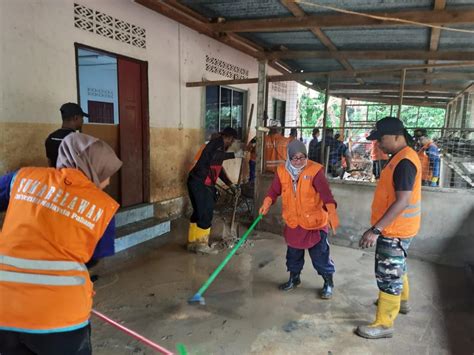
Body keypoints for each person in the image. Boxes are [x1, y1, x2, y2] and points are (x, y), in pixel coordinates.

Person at [0, 133, 122, 354]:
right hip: (60, 317)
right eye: (106, 173)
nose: (108, 181)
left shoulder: (23, 177)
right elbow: (93, 258)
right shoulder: (103, 207)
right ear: (92, 167)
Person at [356, 117, 421, 339]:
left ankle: (384, 324)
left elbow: (402, 201)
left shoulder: (404, 162)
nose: (379, 144)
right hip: (401, 228)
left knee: (388, 276)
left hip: (394, 230)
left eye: (381, 139)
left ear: (396, 136)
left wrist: (375, 230)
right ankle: (401, 302)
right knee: (398, 267)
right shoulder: (401, 157)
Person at [259, 140, 340, 299]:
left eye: (302, 157)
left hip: (314, 223)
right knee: (293, 255)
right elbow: (274, 190)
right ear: (289, 158)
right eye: (295, 158)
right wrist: (267, 203)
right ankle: (294, 279)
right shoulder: (282, 171)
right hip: (294, 222)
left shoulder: (315, 170)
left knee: (320, 256)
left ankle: (328, 282)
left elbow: (326, 194)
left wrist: (331, 212)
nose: (299, 161)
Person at [187, 127, 242, 254]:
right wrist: (234, 155)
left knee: (198, 212)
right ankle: (201, 244)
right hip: (201, 183)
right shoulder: (217, 144)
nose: (232, 144)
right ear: (229, 138)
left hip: (196, 182)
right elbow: (215, 156)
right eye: (232, 141)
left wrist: (230, 185)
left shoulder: (219, 147)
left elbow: (219, 168)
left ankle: (192, 243)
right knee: (206, 212)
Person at [45, 103, 88, 167]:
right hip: (71, 176)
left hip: (55, 176)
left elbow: (49, 162)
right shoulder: (77, 140)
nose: (82, 121)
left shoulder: (51, 137)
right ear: (76, 118)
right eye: (81, 118)